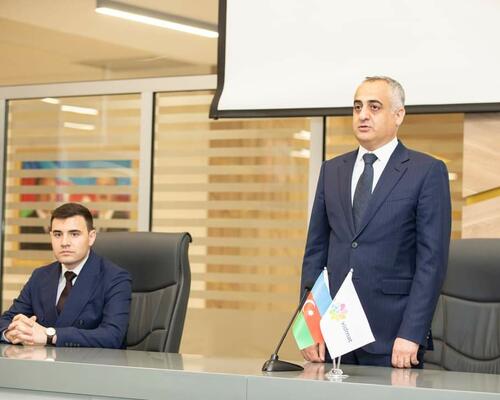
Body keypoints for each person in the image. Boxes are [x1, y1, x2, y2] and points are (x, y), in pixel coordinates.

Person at [300, 76, 451, 368]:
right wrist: (310, 325)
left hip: (392, 338)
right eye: (357, 107)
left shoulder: (426, 171)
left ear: (398, 115)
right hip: (332, 335)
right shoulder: (332, 170)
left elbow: (431, 262)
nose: (363, 115)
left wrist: (412, 333)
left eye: (374, 107)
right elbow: (315, 253)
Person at [0, 202, 132, 348]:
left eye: (74, 234)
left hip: (89, 362)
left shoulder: (115, 278)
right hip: (40, 361)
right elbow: (7, 320)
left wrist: (49, 335)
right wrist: (10, 333)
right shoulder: (40, 276)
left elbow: (112, 336)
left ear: (91, 237)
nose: (64, 243)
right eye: (58, 234)